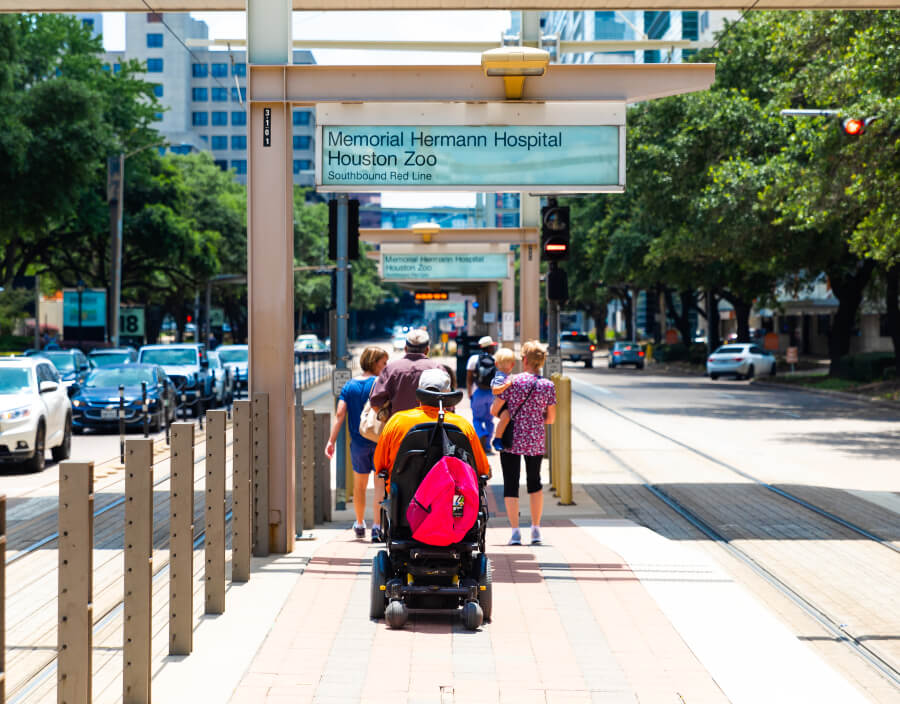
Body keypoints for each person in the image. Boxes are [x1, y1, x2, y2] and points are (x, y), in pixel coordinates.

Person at [375, 368, 491, 493]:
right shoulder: (462, 426)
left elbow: (379, 465)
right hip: (452, 505)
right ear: (448, 395)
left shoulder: (397, 422)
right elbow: (482, 470)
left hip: (405, 503)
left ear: (419, 394)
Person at [491, 340, 556, 546]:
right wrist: (535, 420)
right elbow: (551, 419)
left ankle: (516, 532)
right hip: (535, 439)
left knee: (511, 483)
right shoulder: (548, 385)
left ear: (525, 360)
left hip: (512, 439)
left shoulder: (512, 382)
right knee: (534, 482)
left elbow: (494, 410)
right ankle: (536, 530)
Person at [326, 346, 389, 541]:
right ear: (374, 363)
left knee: (359, 486)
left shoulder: (349, 386)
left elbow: (339, 415)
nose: (385, 367)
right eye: (383, 363)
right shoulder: (380, 384)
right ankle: (377, 526)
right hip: (379, 441)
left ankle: (360, 523)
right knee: (379, 485)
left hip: (359, 444)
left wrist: (331, 441)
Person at [369, 329, 439, 418]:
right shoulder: (438, 369)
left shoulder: (390, 369)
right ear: (427, 350)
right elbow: (449, 405)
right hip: (431, 429)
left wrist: (390, 422)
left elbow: (375, 402)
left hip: (399, 429)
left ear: (405, 348)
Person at [466, 335, 498, 454]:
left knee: (477, 419)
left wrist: (469, 392)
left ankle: (481, 434)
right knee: (489, 420)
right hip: (491, 393)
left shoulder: (473, 359)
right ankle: (488, 445)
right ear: (489, 347)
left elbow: (469, 377)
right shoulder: (495, 360)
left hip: (478, 392)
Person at [489, 347, 516, 452]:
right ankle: (497, 439)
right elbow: (495, 390)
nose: (505, 367)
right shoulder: (500, 377)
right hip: (500, 405)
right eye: (503, 364)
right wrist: (506, 385)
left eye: (507, 364)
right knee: (506, 417)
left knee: (508, 418)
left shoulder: (505, 375)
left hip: (505, 404)